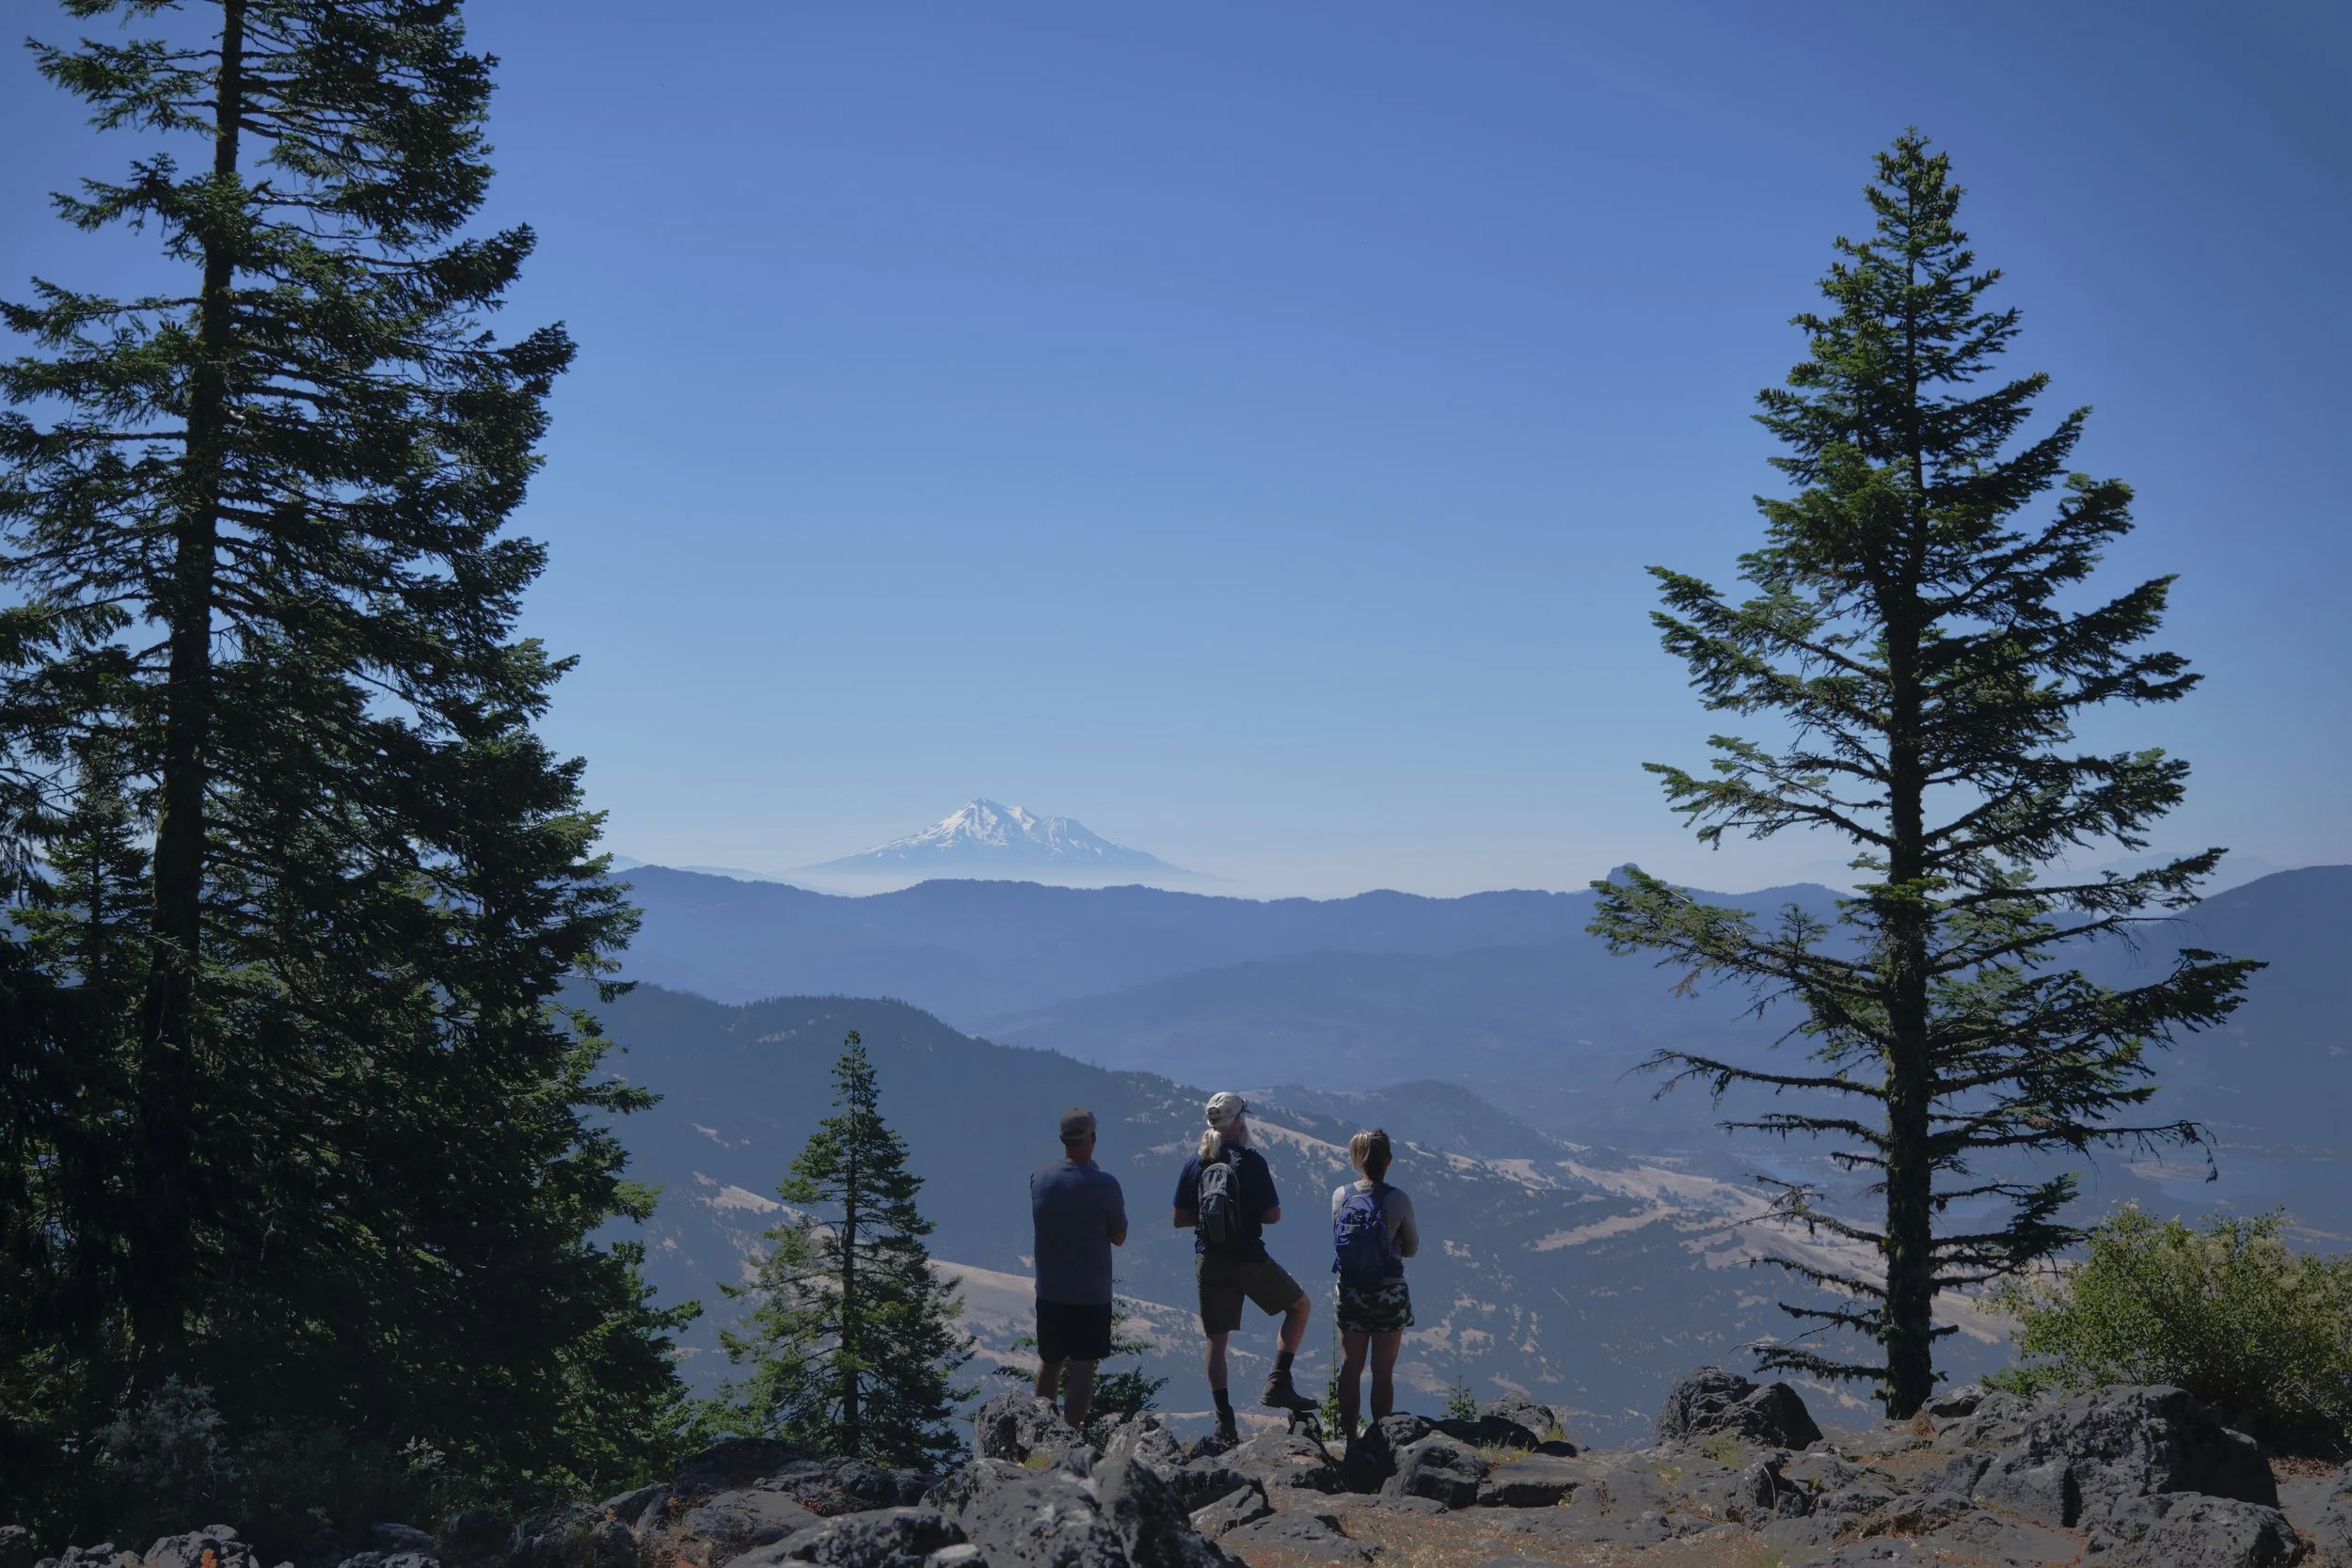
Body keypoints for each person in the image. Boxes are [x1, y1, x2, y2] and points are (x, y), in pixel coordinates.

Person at [1172, 1090, 1315, 1443]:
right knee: (1299, 1307)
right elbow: (1273, 1215)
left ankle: (1225, 1422)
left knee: (1215, 1342)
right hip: (1249, 1258)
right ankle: (1278, 1383)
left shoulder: (1195, 1162)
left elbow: (1179, 1218)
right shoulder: (1251, 1162)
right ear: (1237, 1122)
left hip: (1209, 1260)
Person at [1030, 1105, 1128, 1431]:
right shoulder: (1105, 1185)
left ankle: (1041, 1433)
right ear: (1092, 1138)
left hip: (1050, 1291)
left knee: (1050, 1361)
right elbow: (1119, 1236)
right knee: (1083, 1366)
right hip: (1090, 1294)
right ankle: (1070, 1437)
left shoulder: (1040, 1177)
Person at [1330, 1127, 1418, 1441]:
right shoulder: (1398, 1199)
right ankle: (1382, 1442)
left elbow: (1337, 1241)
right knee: (1383, 1372)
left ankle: (1350, 1440)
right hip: (1388, 1291)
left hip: (1350, 1290)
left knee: (1350, 1368)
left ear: (1358, 1159)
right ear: (1388, 1161)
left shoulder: (1341, 1196)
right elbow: (1412, 1247)